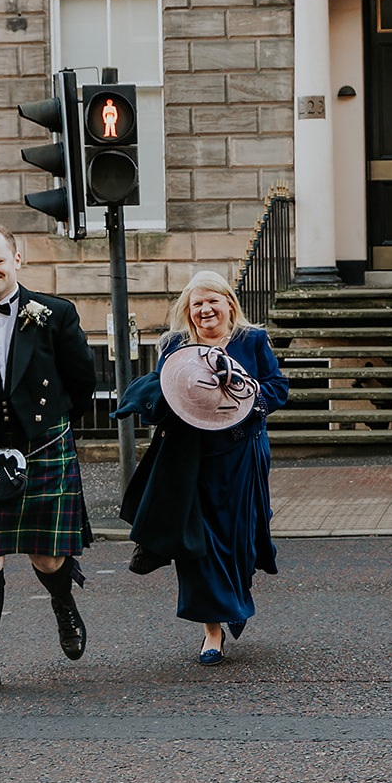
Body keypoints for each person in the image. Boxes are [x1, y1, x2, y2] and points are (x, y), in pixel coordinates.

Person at [0, 223, 96, 697]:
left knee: (47, 557)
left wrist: (48, 427)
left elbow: (81, 380)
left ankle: (64, 602)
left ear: (17, 259)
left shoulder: (55, 313)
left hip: (44, 444)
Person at [114, 270, 288, 665]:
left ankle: (234, 593)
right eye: (197, 304)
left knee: (239, 541)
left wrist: (246, 389)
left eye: (213, 301)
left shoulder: (252, 340)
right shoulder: (176, 345)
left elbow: (277, 387)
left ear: (229, 303)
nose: (205, 309)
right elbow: (163, 391)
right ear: (188, 312)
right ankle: (211, 631)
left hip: (242, 455)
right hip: (191, 459)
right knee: (198, 544)